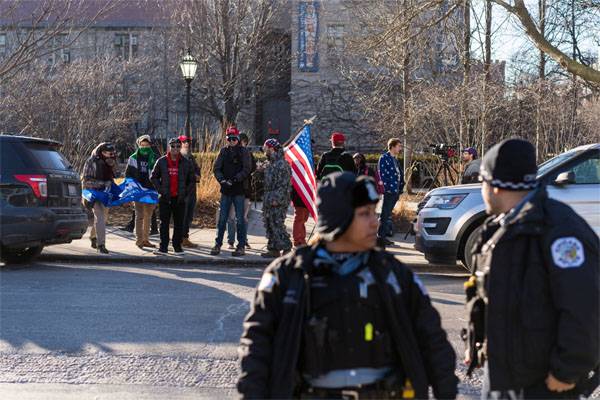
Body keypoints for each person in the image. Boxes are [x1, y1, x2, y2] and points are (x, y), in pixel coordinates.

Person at [237, 172, 458, 399]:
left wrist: (446, 392)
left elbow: (434, 342)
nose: (375, 221)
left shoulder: (393, 275)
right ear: (337, 220)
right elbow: (256, 347)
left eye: (374, 212)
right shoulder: (288, 276)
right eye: (364, 214)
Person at [464, 138, 599, 399]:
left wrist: (567, 371)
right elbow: (486, 296)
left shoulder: (561, 232)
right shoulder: (498, 230)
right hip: (501, 375)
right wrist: (476, 342)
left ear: (495, 187)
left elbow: (585, 307)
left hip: (544, 383)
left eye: (482, 181)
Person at [150, 137, 195, 255]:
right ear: (169, 147)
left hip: (179, 198)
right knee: (164, 224)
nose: (175, 148)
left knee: (179, 223)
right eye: (173, 146)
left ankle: (177, 247)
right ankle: (163, 248)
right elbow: (153, 177)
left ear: (181, 147)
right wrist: (161, 190)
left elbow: (192, 180)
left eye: (178, 146)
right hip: (165, 198)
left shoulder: (186, 162)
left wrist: (185, 193)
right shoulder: (161, 161)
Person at [210, 127, 252, 256]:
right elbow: (216, 168)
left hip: (238, 190)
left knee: (240, 219)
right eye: (229, 138)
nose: (232, 141)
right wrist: (222, 180)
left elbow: (247, 169)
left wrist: (234, 179)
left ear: (238, 139)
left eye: (234, 138)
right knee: (222, 218)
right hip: (226, 190)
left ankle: (241, 245)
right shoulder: (223, 151)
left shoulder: (244, 152)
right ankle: (218, 244)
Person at [82, 142, 118, 254]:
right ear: (101, 152)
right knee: (101, 217)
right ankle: (101, 245)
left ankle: (93, 237)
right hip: (93, 194)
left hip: (106, 194)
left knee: (103, 218)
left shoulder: (111, 162)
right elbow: (86, 181)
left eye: (112, 153)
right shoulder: (91, 162)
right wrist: (103, 184)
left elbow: (112, 177)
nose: (110, 155)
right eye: (108, 153)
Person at [260, 138, 292, 258]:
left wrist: (276, 199)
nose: (264, 151)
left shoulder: (282, 164)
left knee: (277, 223)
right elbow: (269, 182)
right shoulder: (271, 163)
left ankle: (287, 248)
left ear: (271, 148)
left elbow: (284, 185)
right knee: (269, 224)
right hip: (269, 198)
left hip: (277, 200)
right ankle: (273, 249)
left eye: (265, 148)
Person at [125, 135, 158, 250]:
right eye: (142, 145)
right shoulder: (133, 158)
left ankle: (146, 240)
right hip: (138, 190)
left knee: (148, 216)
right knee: (139, 216)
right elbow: (128, 174)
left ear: (150, 145)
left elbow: (158, 175)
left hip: (150, 190)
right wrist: (131, 189)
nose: (144, 147)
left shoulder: (155, 158)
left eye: (147, 145)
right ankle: (139, 240)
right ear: (139, 145)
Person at [227, 133, 256, 249]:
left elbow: (251, 169)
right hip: (233, 190)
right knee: (231, 216)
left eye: (243, 142)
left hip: (245, 190)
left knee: (243, 217)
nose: (240, 144)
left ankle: (243, 239)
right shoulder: (228, 153)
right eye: (238, 141)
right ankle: (231, 240)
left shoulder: (249, 155)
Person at [377, 138, 405, 248]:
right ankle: (380, 237)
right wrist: (387, 188)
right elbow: (382, 174)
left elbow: (398, 174)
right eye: (398, 146)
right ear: (392, 146)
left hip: (396, 190)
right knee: (384, 214)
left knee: (387, 214)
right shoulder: (384, 158)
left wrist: (401, 186)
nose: (400, 148)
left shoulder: (395, 159)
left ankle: (382, 237)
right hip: (389, 191)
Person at [178, 135, 201, 248]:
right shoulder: (177, 157)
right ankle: (179, 238)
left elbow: (197, 170)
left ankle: (185, 238)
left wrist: (197, 176)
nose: (187, 144)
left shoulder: (190, 157)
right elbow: (181, 175)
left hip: (192, 191)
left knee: (189, 216)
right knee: (181, 216)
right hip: (182, 192)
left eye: (188, 142)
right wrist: (193, 176)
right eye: (184, 142)